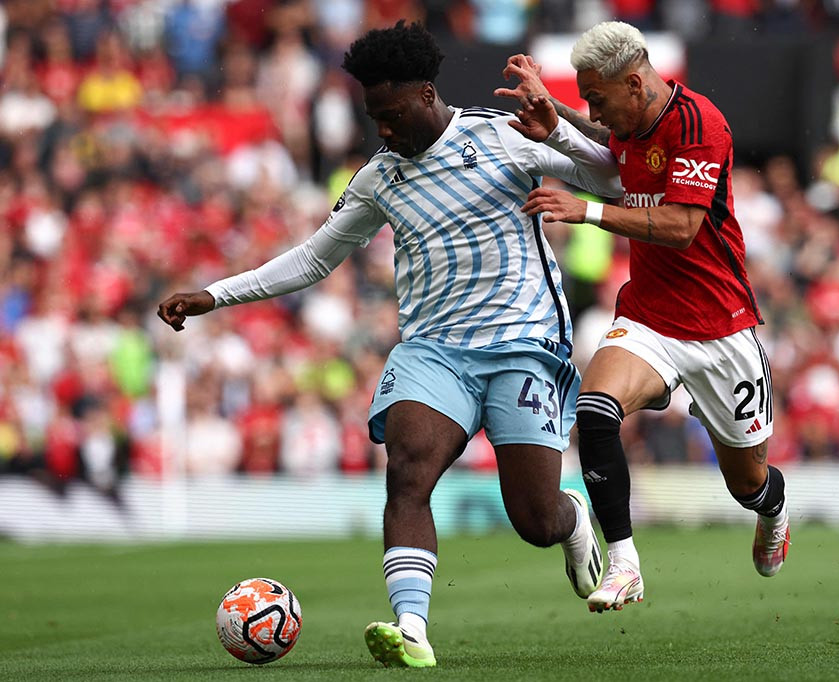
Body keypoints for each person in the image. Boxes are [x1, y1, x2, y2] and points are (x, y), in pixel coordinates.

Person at [157, 22, 621, 668]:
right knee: (407, 471)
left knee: (536, 521)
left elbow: (614, 182)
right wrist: (216, 295)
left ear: (426, 95)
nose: (382, 129)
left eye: (391, 114)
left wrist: (560, 131)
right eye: (373, 116)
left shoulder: (502, 136)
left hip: (522, 346)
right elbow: (315, 259)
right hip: (434, 352)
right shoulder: (379, 178)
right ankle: (412, 628)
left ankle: (570, 519)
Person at [495, 21, 790, 613]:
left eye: (597, 98)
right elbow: (607, 143)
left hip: (720, 326)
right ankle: (625, 565)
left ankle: (773, 510)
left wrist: (587, 210)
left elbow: (681, 227)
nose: (594, 111)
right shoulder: (632, 123)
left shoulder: (699, 124)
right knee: (594, 412)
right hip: (649, 318)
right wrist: (553, 112)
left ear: (633, 83)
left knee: (748, 483)